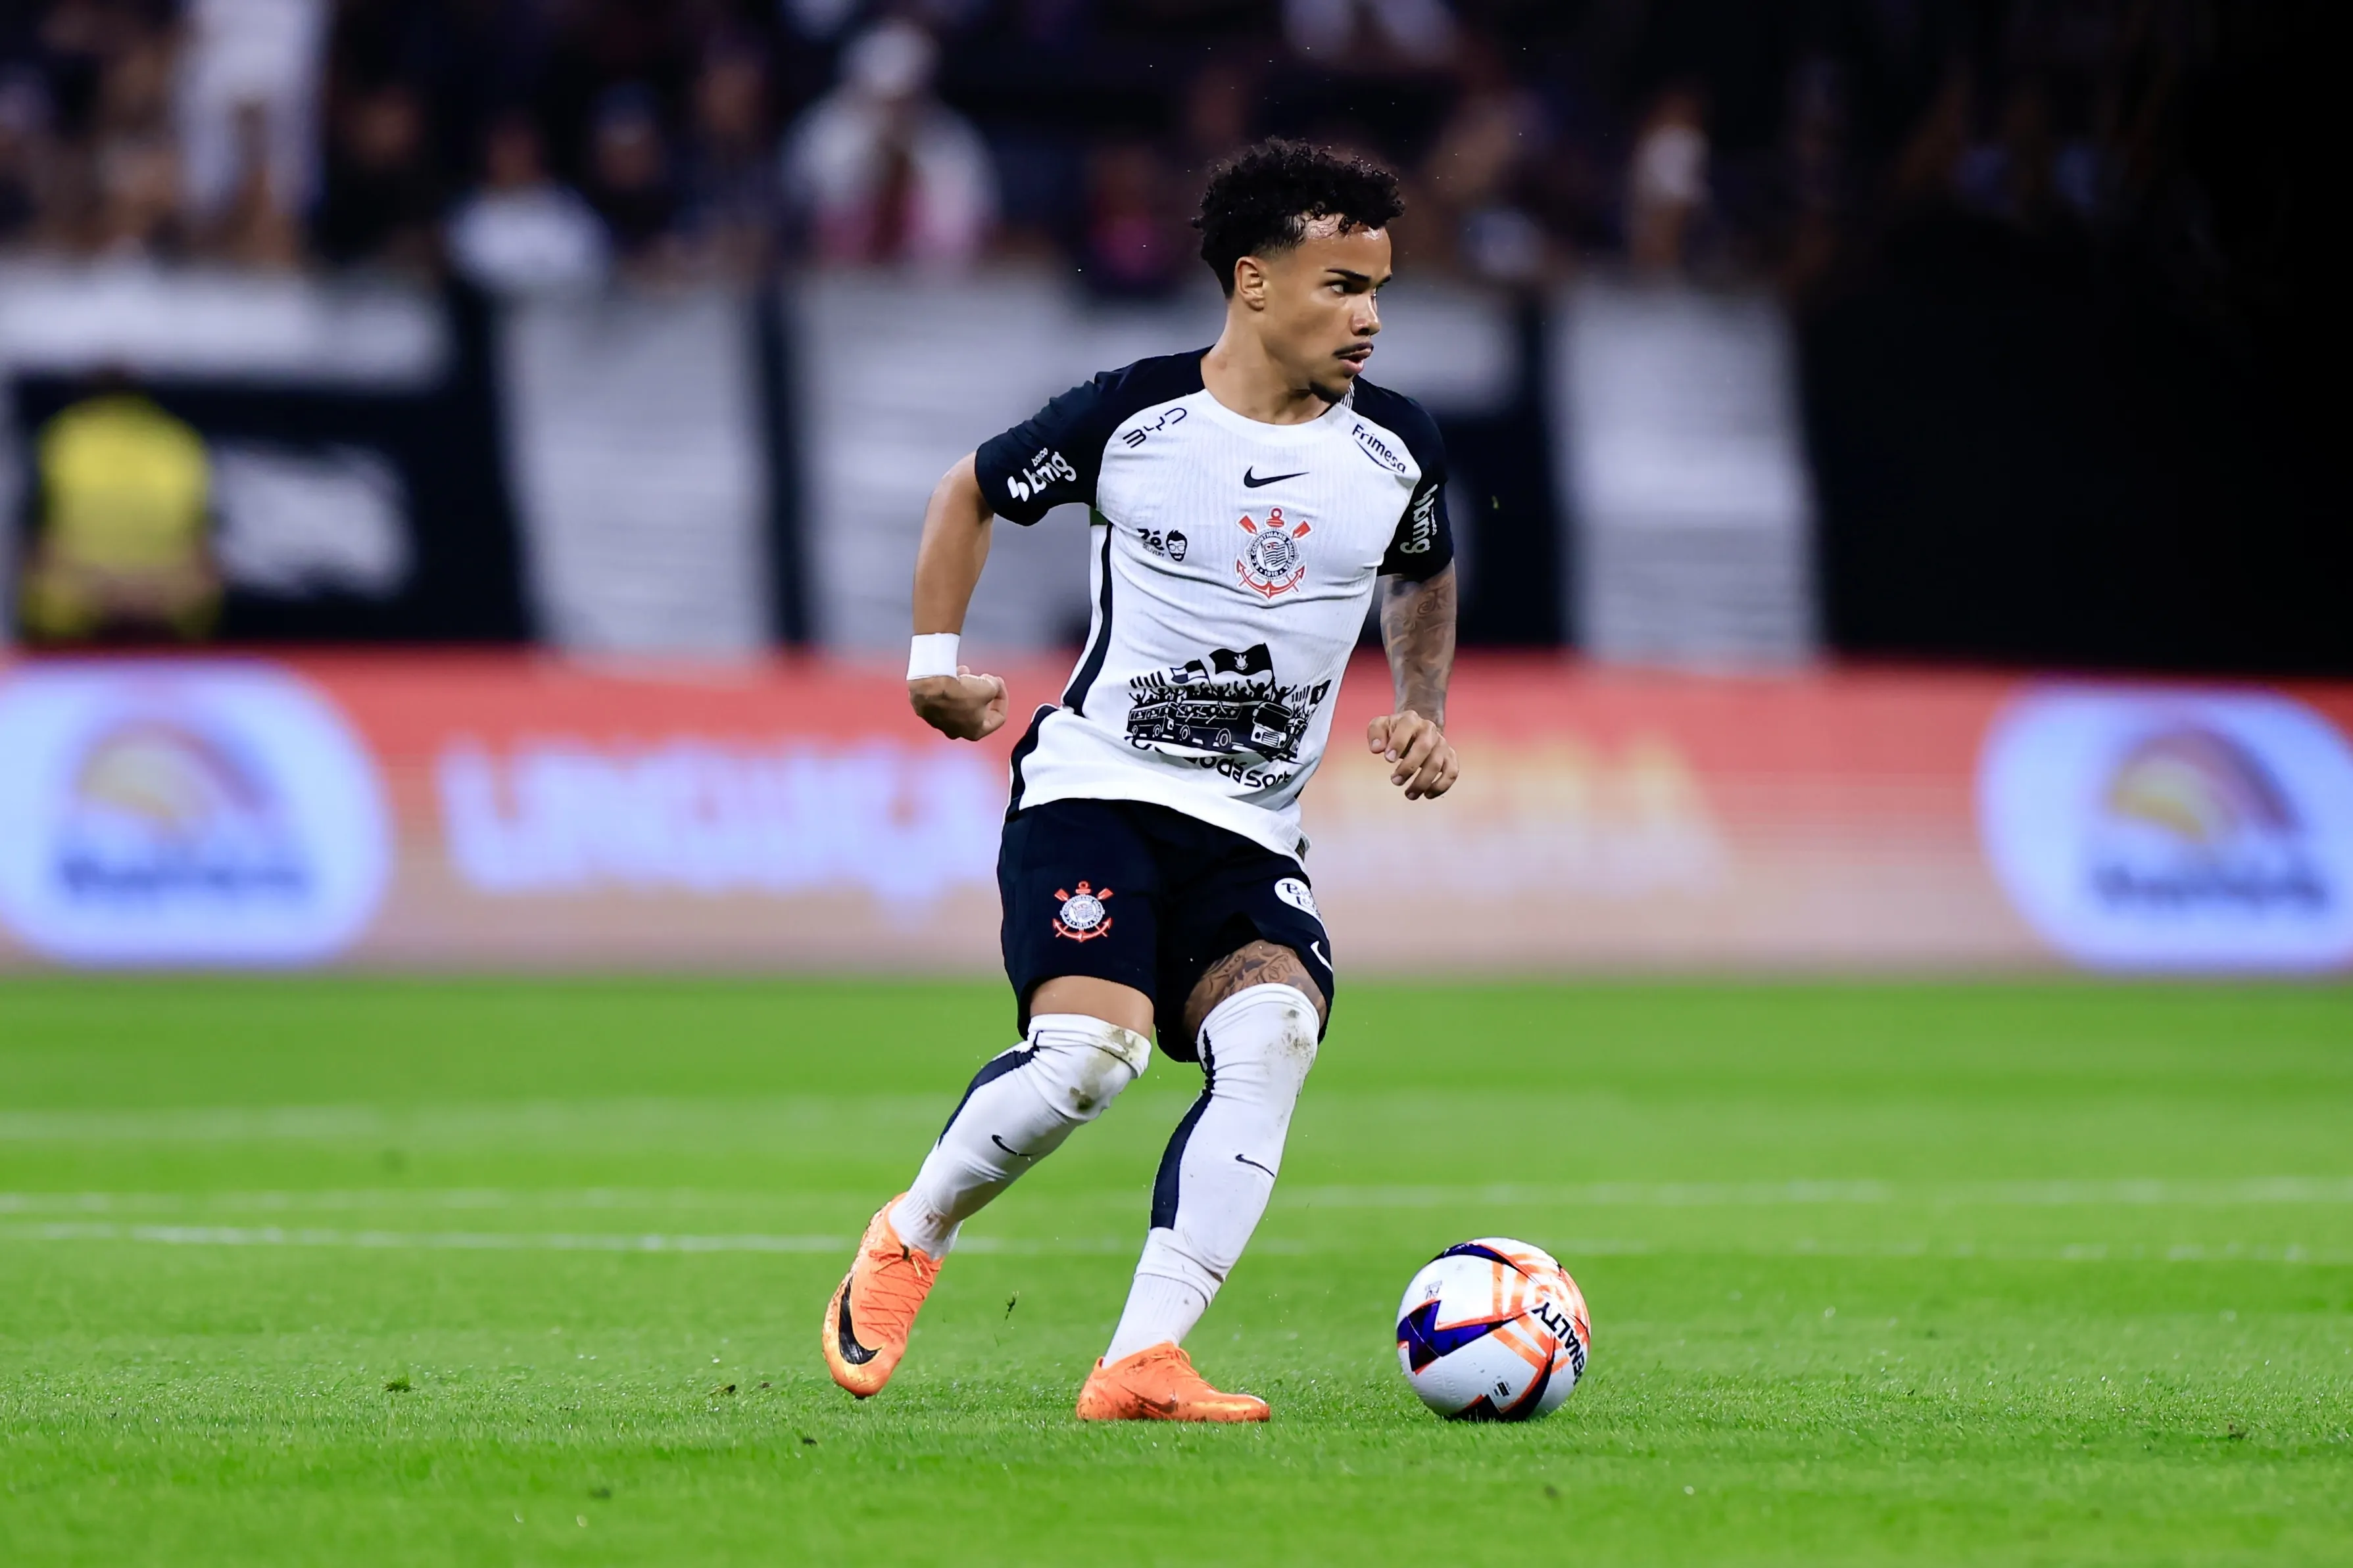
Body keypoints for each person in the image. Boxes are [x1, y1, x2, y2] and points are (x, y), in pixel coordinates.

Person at [821, 140, 1460, 1422]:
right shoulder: (1134, 418)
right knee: (1087, 1059)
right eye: (1341, 284)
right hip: (1097, 794)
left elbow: (1421, 567)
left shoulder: (1396, 445)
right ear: (1253, 283)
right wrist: (932, 663)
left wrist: (1421, 707)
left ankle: (1141, 1357)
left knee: (1275, 1028)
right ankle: (910, 1233)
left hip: (1250, 833)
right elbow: (972, 490)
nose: (1370, 317)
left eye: (1380, 287)